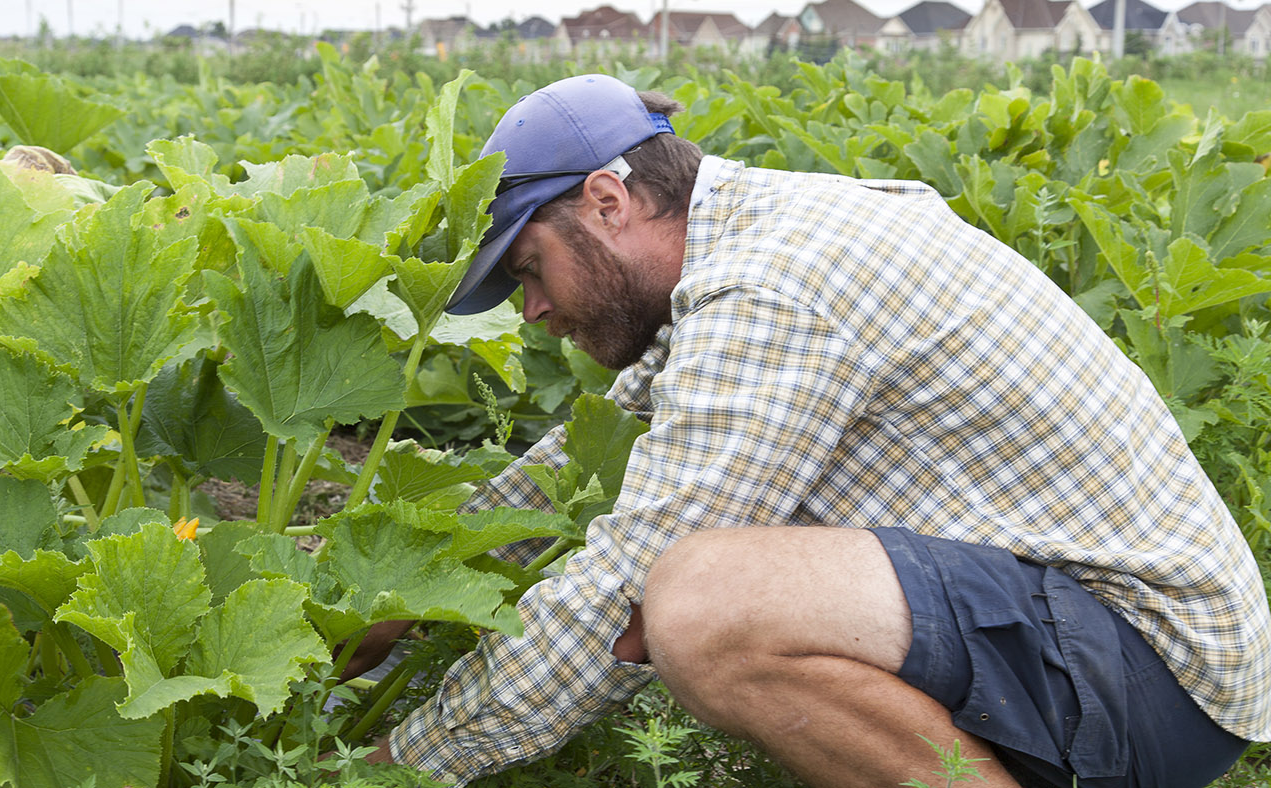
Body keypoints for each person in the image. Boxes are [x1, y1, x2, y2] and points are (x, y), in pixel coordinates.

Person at [356, 74, 1271, 788]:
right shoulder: (761, 236)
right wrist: (398, 597)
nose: (533, 309)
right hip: (1086, 648)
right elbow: (594, 442)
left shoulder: (777, 288)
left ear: (607, 200)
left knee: (702, 602)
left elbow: (620, 583)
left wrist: (401, 769)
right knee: (701, 580)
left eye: (530, 268)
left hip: (1151, 681)